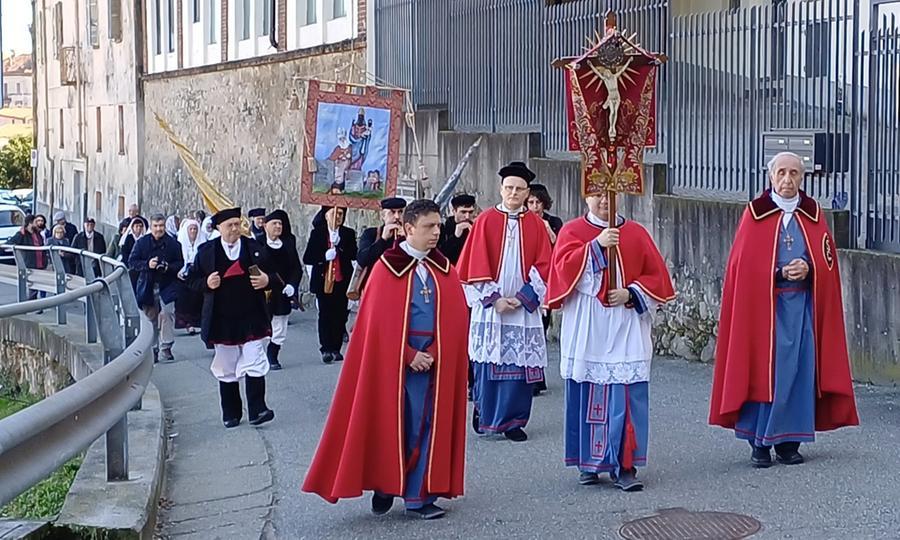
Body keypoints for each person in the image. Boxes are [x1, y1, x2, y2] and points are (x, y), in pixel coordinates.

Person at [302, 200, 468, 519]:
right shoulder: (386, 267)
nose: (436, 233)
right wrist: (408, 355)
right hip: (395, 365)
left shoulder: (443, 267)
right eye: (428, 227)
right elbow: (374, 328)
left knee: (426, 426)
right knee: (393, 424)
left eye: (438, 226)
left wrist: (437, 352)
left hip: (435, 361)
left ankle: (419, 496)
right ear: (408, 229)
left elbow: (457, 318)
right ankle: (385, 483)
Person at [709, 152, 859, 467]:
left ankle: (790, 442)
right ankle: (760, 443)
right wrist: (776, 273)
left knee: (800, 372)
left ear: (802, 179)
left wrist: (809, 268)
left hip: (802, 306)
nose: (787, 180)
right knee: (768, 372)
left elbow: (828, 263)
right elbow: (742, 267)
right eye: (781, 173)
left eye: (794, 174)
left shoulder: (813, 214)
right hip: (767, 311)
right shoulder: (755, 214)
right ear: (771, 176)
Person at [546, 192, 675, 491]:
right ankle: (587, 463)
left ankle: (624, 465)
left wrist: (631, 293)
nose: (604, 201)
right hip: (588, 323)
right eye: (597, 194)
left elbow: (657, 277)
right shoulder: (573, 231)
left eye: (610, 195)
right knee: (586, 391)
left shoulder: (636, 232)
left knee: (625, 395)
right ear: (586, 196)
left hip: (625, 322)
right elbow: (562, 272)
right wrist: (595, 247)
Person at [456, 161, 552, 442]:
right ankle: (486, 415)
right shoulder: (485, 220)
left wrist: (524, 297)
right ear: (500, 189)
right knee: (489, 365)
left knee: (519, 370)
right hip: (493, 307)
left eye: (519, 189)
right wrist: (494, 299)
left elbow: (545, 265)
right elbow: (473, 265)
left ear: (526, 193)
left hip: (522, 307)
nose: (513, 193)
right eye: (509, 188)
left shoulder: (535, 223)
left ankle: (514, 422)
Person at [187, 207, 275, 428]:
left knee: (255, 360)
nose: (235, 229)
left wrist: (267, 280)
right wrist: (206, 283)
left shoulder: (253, 248)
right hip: (222, 319)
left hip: (252, 316)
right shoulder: (207, 252)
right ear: (219, 228)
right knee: (227, 367)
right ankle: (231, 413)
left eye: (237, 224)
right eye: (230, 225)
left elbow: (274, 274)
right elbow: (191, 281)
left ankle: (257, 410)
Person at [303, 207, 357, 363]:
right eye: (334, 213)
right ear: (326, 216)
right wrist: (324, 256)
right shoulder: (318, 233)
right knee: (325, 315)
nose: (337, 217)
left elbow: (354, 255)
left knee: (340, 316)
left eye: (340, 214)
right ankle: (326, 348)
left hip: (342, 280)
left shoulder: (348, 234)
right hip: (324, 281)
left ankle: (336, 348)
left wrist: (340, 247)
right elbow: (309, 257)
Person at [129, 214, 184, 363]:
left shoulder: (173, 244)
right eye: (156, 226)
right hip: (148, 284)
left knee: (167, 314)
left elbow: (180, 263)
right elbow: (132, 262)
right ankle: (153, 349)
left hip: (168, 284)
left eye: (161, 226)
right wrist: (147, 265)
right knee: (150, 318)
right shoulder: (142, 243)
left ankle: (166, 346)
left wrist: (168, 267)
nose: (159, 229)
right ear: (151, 227)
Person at [527, 183, 564, 395]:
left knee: (541, 327)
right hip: (528, 277)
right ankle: (528, 377)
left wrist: (547, 228)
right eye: (530, 202)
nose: (534, 207)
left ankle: (538, 376)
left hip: (546, 279)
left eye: (537, 203)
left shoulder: (554, 222)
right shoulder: (523, 221)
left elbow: (559, 248)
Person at [261, 210, 303, 371]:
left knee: (279, 327)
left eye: (280, 223)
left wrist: (292, 285)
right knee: (260, 324)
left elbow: (296, 268)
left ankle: (272, 355)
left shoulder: (288, 244)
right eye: (274, 223)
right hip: (263, 291)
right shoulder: (257, 244)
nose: (278, 226)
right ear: (265, 226)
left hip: (283, 292)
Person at [356, 197, 407, 283]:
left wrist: (408, 239)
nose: (397, 217)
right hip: (376, 282)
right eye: (392, 212)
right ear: (383, 216)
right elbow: (362, 260)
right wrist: (382, 240)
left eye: (400, 212)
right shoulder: (371, 233)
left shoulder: (409, 236)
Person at [175, 218, 204, 334]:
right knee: (184, 302)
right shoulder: (179, 244)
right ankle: (187, 324)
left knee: (196, 300)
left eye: (195, 229)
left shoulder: (202, 243)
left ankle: (196, 323)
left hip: (197, 275)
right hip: (182, 276)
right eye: (191, 229)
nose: (193, 232)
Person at [8, 215, 47, 299]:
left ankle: (39, 304)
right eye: (35, 222)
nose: (37, 224)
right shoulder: (22, 234)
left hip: (41, 263)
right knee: (33, 287)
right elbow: (11, 242)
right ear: (30, 223)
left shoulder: (37, 234)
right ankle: (33, 305)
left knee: (42, 285)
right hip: (31, 264)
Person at [438, 194, 476, 265]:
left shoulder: (476, 227)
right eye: (463, 212)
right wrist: (455, 237)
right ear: (454, 211)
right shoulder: (443, 228)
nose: (467, 216)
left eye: (470, 212)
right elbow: (440, 255)